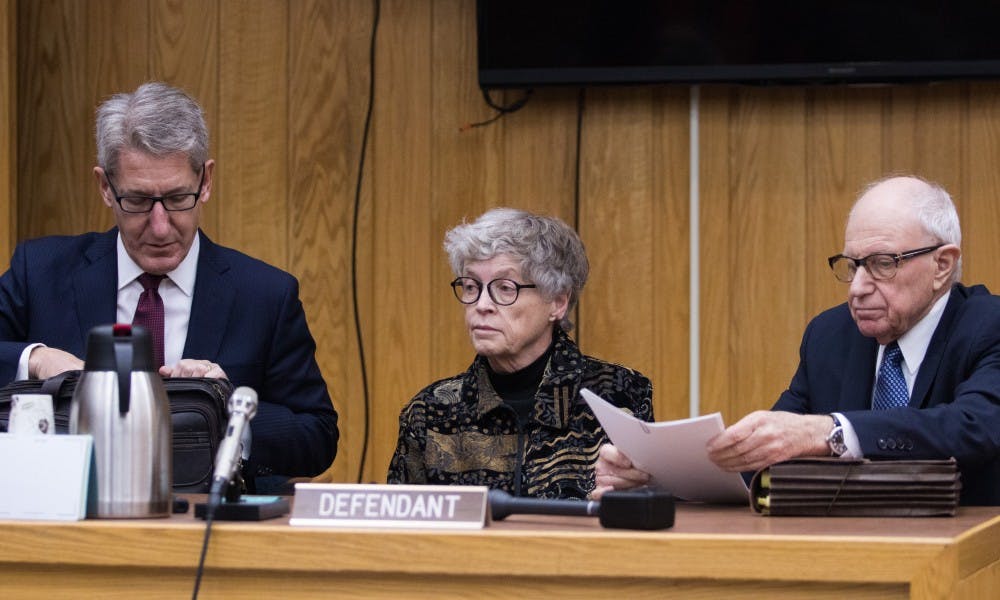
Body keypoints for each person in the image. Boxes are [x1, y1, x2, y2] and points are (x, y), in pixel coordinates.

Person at [0, 82, 338, 489]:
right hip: (70, 530)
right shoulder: (39, 272)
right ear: (106, 187)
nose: (160, 227)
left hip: (209, 540)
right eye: (138, 201)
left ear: (206, 180)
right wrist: (36, 358)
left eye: (178, 198)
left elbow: (318, 436)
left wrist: (228, 409)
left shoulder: (265, 295)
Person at [594, 175, 1000, 505]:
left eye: (881, 264)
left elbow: (975, 426)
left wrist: (831, 432)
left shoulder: (987, 324)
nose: (857, 288)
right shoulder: (830, 335)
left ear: (942, 266)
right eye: (852, 265)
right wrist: (660, 479)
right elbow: (766, 454)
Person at [387, 208, 654, 499]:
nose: (482, 304)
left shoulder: (616, 394)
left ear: (557, 303)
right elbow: (397, 530)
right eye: (471, 286)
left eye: (504, 288)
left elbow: (649, 515)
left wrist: (628, 496)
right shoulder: (430, 411)